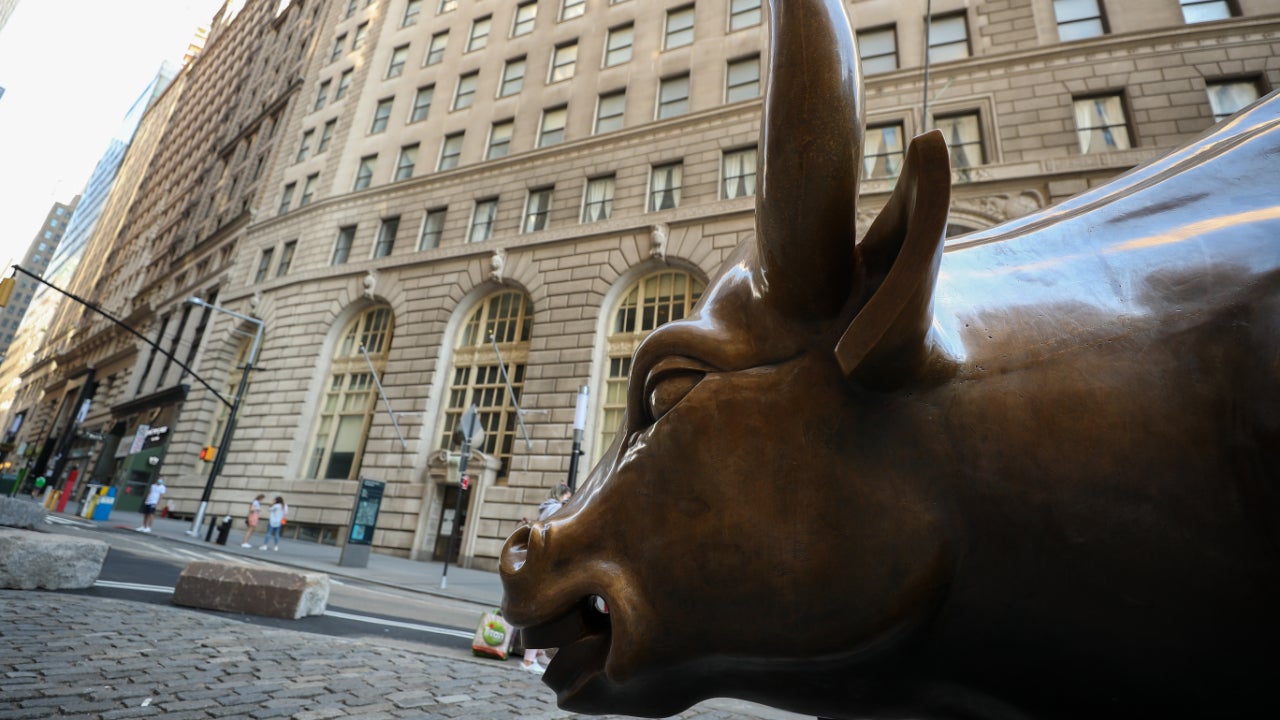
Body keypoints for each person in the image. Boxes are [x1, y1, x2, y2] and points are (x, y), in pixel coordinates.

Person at [520, 483, 572, 673]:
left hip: (538, 564)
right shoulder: (557, 509)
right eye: (569, 495)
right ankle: (528, 660)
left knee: (544, 611)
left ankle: (538, 654)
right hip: (548, 566)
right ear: (563, 495)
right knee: (543, 612)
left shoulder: (545, 507)